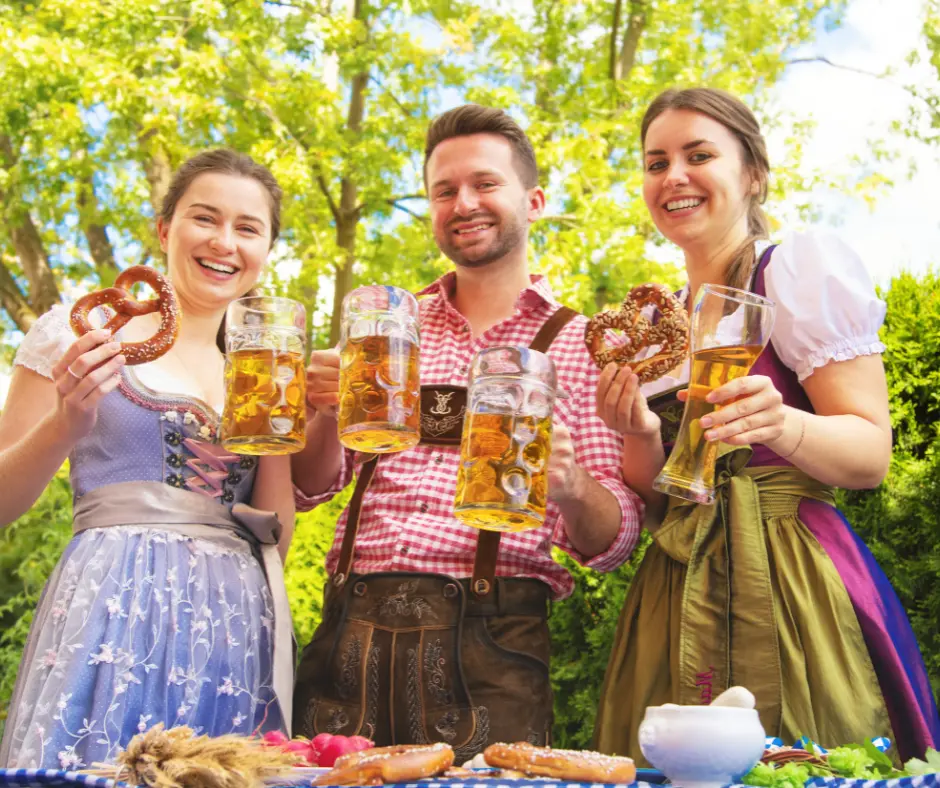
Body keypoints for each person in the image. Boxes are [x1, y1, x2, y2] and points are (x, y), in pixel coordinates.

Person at [593, 87, 940, 762]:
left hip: (789, 577)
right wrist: (636, 431)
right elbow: (658, 500)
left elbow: (871, 455)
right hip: (677, 583)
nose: (674, 177)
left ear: (752, 172)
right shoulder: (657, 325)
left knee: (808, 763)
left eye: (699, 155)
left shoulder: (796, 271)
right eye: (655, 162)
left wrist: (783, 426)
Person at [290, 104, 643, 755]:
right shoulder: (391, 330)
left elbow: (614, 537)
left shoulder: (579, 344)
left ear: (533, 200)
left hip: (491, 642)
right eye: (444, 190)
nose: (464, 203)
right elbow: (311, 487)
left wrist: (569, 485)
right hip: (348, 628)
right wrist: (318, 410)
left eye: (485, 184)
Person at [0, 150, 295, 769]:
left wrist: (286, 426)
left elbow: (276, 537)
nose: (224, 242)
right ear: (165, 230)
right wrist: (64, 424)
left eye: (248, 228)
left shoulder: (261, 367)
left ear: (267, 249)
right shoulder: (75, 337)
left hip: (234, 624)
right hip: (114, 604)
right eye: (204, 218)